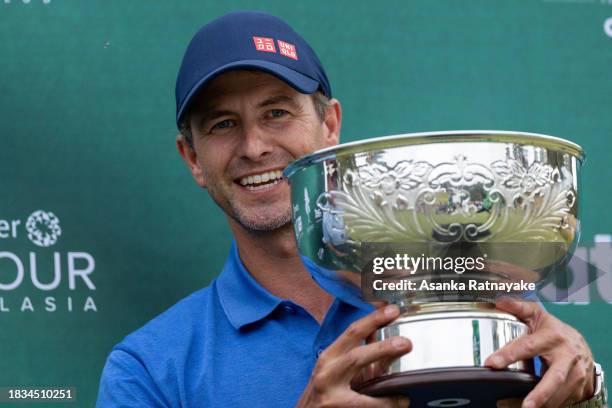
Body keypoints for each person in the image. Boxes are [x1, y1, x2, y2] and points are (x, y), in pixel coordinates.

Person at [96, 11, 601, 408]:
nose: (253, 146)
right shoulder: (148, 369)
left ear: (330, 126)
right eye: (222, 124)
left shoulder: (466, 301)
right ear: (193, 159)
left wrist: (587, 388)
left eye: (276, 112)